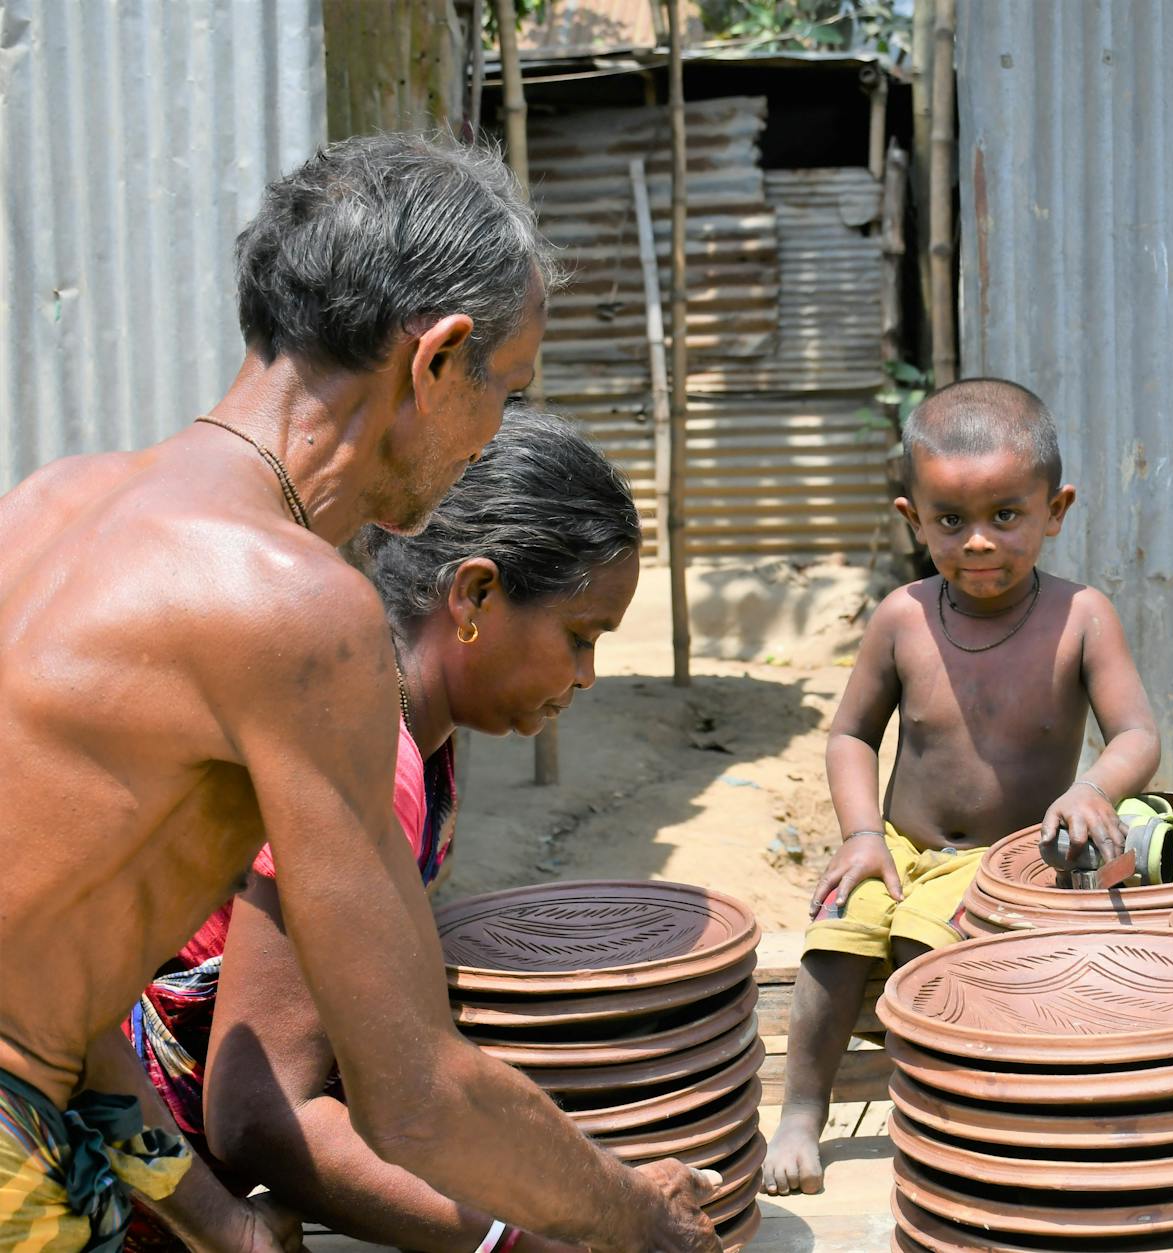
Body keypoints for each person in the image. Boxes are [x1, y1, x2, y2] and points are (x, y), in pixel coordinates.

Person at [0, 134, 717, 1252]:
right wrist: (637, 1226)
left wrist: (216, 1224)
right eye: (507, 390)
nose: (492, 439)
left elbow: (60, 981)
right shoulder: (298, 608)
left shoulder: (47, 502)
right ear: (436, 361)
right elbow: (417, 1094)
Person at [121, 408, 641, 1253]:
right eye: (580, 637)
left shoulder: (411, 736)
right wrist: (511, 1240)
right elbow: (257, 1110)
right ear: (473, 596)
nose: (587, 676)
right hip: (112, 1181)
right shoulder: (366, 753)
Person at [759, 378, 1163, 1196]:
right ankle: (802, 1108)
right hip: (899, 848)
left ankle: (933, 1114)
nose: (978, 542)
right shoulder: (903, 618)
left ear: (1056, 509)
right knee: (837, 935)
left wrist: (1092, 790)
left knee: (920, 945)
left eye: (1005, 516)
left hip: (1006, 861)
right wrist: (864, 835)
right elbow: (849, 734)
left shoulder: (1082, 616)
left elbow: (1138, 734)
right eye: (951, 521)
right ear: (914, 519)